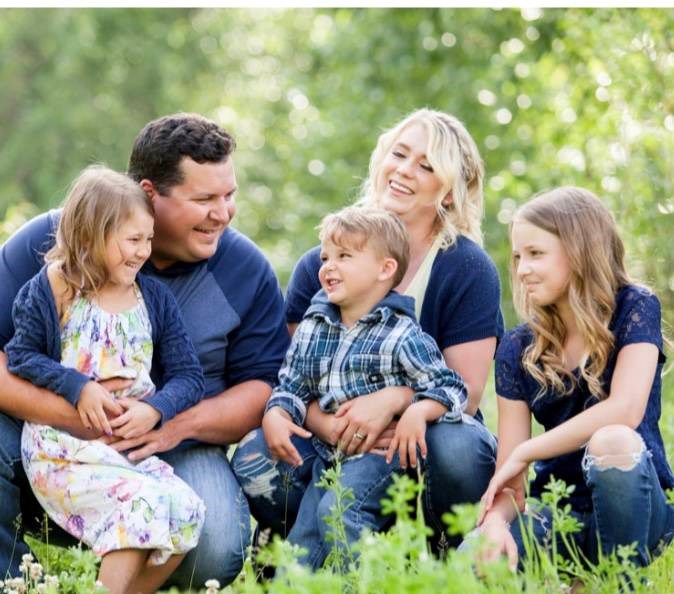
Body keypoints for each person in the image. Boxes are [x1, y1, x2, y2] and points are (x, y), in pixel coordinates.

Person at [0, 113, 290, 587]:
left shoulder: (245, 270)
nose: (224, 213)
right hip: (52, 434)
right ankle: (13, 581)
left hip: (175, 444)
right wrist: (73, 408)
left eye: (229, 195)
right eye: (204, 199)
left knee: (214, 551)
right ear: (150, 194)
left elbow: (262, 387)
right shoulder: (56, 247)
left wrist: (169, 424)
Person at [233, 108, 504, 548]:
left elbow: (467, 395)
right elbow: (296, 373)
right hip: (334, 436)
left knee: (459, 448)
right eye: (399, 154)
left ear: (450, 193)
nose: (403, 170)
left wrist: (393, 403)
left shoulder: (466, 268)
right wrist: (328, 426)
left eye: (426, 165)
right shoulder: (321, 265)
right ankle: (303, 543)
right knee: (256, 454)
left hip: (423, 438)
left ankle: (440, 546)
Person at [5, 165, 206, 594]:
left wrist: (155, 408)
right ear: (91, 236)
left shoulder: (153, 298)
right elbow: (21, 356)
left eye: (149, 238)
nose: (144, 252)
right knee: (141, 506)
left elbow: (190, 377)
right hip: (63, 449)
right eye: (134, 240)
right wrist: (78, 387)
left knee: (187, 508)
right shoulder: (55, 289)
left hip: (125, 450)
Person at [476, 186, 674, 570]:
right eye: (517, 256)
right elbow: (511, 480)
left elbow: (626, 410)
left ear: (581, 251)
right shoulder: (517, 348)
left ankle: (618, 579)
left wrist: (528, 451)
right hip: (561, 515)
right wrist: (497, 522)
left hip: (637, 508)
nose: (522, 270)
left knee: (612, 438)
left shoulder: (634, 308)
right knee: (476, 559)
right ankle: (573, 572)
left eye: (536, 254)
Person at [262, 206, 467, 569]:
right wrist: (277, 413)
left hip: (380, 457)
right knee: (302, 542)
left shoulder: (402, 333)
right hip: (328, 455)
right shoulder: (314, 327)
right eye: (326, 256)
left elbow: (450, 387)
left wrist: (418, 409)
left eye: (344, 256)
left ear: (385, 269)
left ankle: (363, 582)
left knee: (340, 513)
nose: (328, 266)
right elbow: (291, 384)